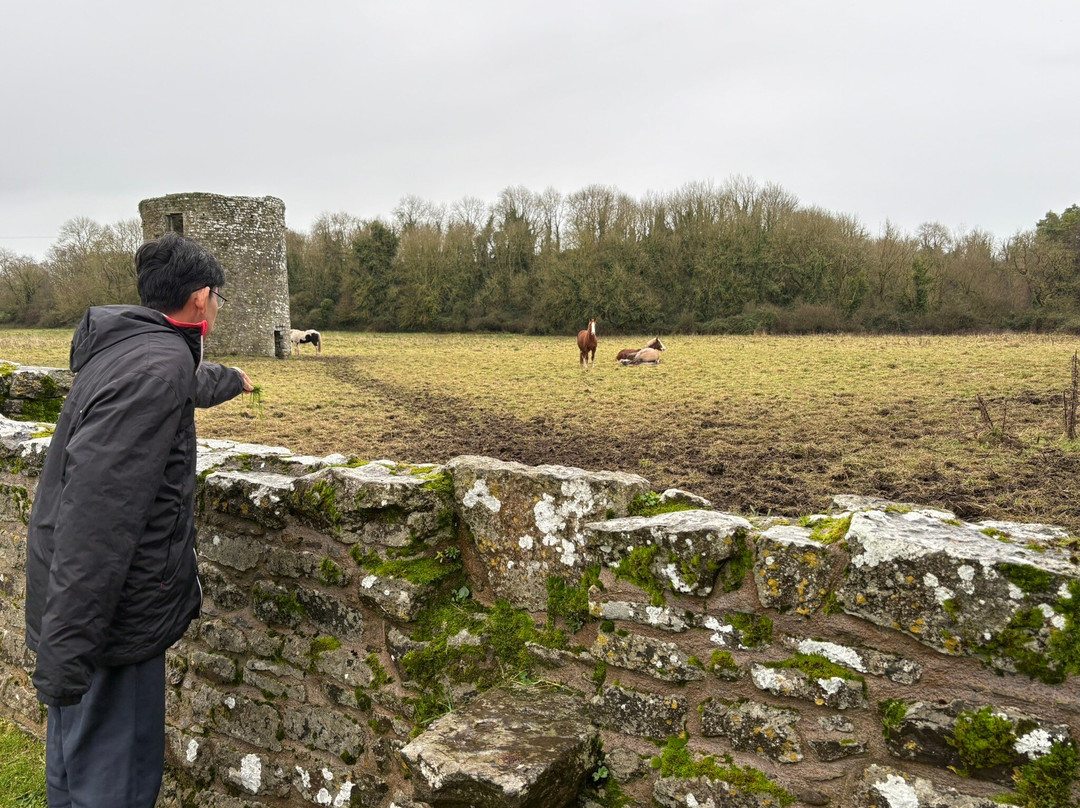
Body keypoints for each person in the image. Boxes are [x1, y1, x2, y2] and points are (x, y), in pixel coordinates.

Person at [24, 231, 254, 808]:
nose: (218, 306)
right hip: (110, 624)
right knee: (112, 786)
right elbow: (96, 522)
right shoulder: (156, 366)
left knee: (73, 775)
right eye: (219, 297)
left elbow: (182, 383)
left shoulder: (131, 348)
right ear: (200, 298)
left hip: (83, 617)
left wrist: (232, 379)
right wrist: (68, 657)